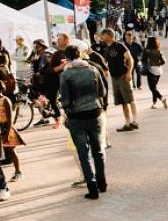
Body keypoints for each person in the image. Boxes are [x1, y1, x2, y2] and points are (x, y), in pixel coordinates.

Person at [58, 45, 108, 199]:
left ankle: (92, 187)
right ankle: (102, 183)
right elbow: (103, 92)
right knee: (98, 151)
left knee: (83, 154)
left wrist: (66, 111)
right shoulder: (92, 70)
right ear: (80, 55)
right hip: (95, 113)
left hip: (77, 118)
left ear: (67, 58)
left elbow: (65, 100)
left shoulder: (66, 75)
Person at [0, 68, 24, 181]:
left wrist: (7, 132)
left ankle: (18, 172)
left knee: (11, 150)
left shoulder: (5, 100)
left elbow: (10, 117)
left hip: (6, 127)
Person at [98, 29, 139, 132]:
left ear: (109, 35)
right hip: (114, 77)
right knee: (122, 101)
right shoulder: (106, 48)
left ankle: (135, 121)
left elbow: (130, 59)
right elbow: (106, 63)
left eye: (103, 35)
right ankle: (127, 123)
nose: (101, 38)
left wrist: (129, 72)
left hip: (123, 75)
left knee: (130, 99)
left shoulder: (120, 46)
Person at [142, 36, 168, 109]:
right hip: (159, 71)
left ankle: (162, 98)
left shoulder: (146, 50)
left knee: (152, 88)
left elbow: (143, 60)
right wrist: (158, 64)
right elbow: (164, 61)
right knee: (154, 87)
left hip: (151, 70)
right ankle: (154, 104)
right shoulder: (158, 51)